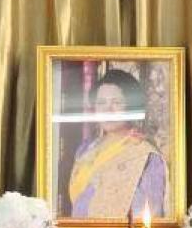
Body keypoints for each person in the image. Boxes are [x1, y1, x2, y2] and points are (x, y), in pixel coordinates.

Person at [64, 68, 168, 219]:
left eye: (116, 102)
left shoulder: (145, 155)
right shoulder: (85, 149)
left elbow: (152, 213)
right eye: (101, 103)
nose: (108, 110)